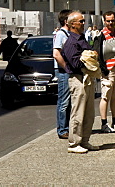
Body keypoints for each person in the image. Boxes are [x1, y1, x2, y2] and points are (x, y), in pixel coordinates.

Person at [62, 12, 99, 154]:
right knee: (78, 112)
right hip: (78, 79)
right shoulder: (71, 42)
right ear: (72, 24)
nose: (84, 23)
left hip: (87, 78)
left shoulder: (82, 39)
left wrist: (91, 56)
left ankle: (84, 140)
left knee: (89, 112)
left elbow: (90, 54)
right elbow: (76, 63)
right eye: (81, 21)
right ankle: (74, 143)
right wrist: (89, 57)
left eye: (84, 21)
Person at [92, 11, 115, 134]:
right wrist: (103, 70)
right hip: (107, 71)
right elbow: (97, 53)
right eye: (108, 21)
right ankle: (104, 123)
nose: (110, 23)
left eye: (112, 20)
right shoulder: (101, 35)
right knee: (105, 97)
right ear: (104, 21)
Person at [52, 9, 73, 139]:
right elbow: (56, 54)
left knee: (68, 101)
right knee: (64, 101)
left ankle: (66, 127)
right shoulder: (61, 34)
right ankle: (62, 129)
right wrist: (66, 67)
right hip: (63, 71)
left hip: (67, 70)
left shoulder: (68, 34)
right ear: (66, 21)